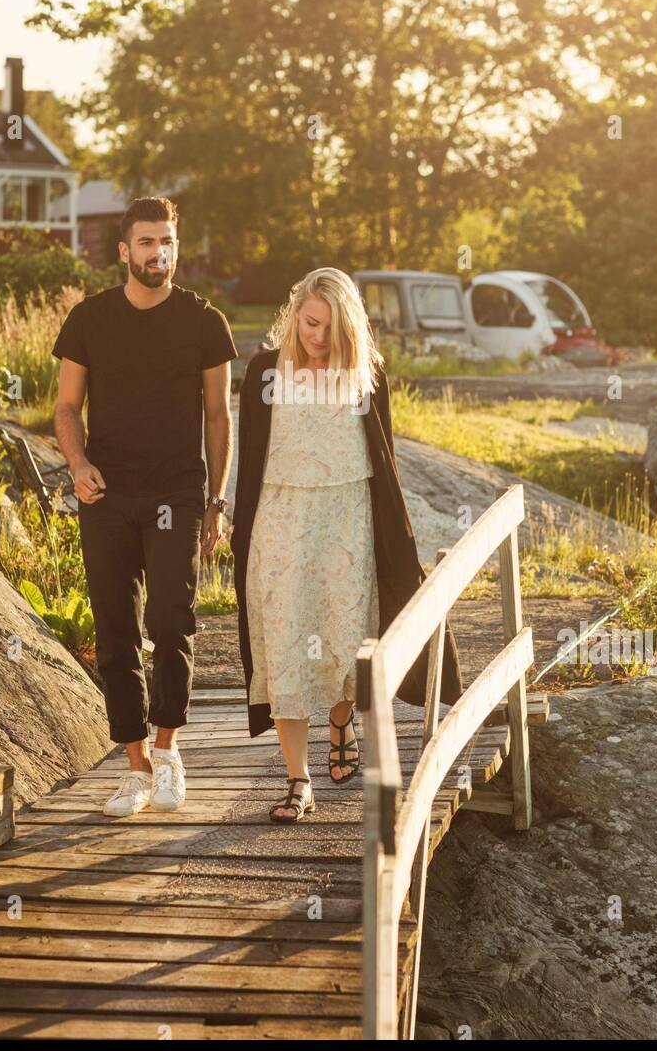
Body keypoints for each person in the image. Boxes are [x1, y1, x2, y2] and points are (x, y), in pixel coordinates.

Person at [231, 267, 462, 823]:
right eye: (310, 322)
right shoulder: (264, 372)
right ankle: (296, 780)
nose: (316, 336)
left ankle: (340, 718)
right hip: (280, 523)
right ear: (294, 313)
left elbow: (385, 463)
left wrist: (395, 541)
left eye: (330, 329)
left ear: (349, 330)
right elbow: (250, 460)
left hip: (346, 522)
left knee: (343, 637)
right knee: (284, 646)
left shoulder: (365, 376)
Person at [51, 196, 238, 817]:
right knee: (114, 629)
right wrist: (78, 466)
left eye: (169, 242)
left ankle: (169, 750)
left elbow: (218, 415)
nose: (161, 254)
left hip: (177, 493)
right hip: (105, 493)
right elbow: (66, 409)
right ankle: (133, 765)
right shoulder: (89, 319)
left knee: (170, 618)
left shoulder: (204, 323)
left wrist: (216, 499)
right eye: (148, 243)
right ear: (125, 251)